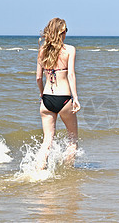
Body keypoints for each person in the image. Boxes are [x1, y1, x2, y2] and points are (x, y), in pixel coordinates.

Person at [36, 17, 81, 170]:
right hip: (64, 99)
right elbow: (71, 75)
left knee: (47, 140)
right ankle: (68, 173)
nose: (66, 33)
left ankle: (39, 172)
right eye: (65, 31)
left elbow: (38, 78)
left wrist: (42, 95)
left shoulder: (42, 50)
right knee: (72, 140)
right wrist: (75, 98)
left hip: (47, 99)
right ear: (61, 33)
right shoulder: (70, 50)